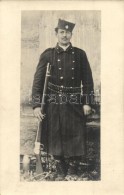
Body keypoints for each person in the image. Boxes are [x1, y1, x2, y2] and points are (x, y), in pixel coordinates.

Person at [32, 19, 94, 181]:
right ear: (56, 34)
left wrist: (87, 102)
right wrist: (36, 106)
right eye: (61, 32)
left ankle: (72, 170)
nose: (64, 35)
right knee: (56, 134)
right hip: (54, 102)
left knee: (76, 134)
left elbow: (87, 80)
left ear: (71, 34)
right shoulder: (48, 54)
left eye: (67, 32)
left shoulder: (80, 54)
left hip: (74, 101)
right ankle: (60, 170)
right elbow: (38, 82)